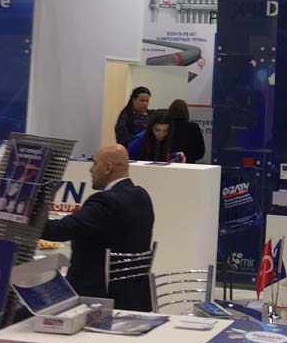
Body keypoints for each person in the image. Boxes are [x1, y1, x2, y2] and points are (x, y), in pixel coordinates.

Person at [41, 144, 154, 310]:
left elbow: (60, 230)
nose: (90, 169)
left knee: (21, 312)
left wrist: (24, 216)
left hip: (95, 298)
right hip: (134, 298)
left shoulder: (106, 202)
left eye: (94, 163)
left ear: (108, 168)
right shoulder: (142, 196)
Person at [164, 98, 205, 163]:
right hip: (189, 165)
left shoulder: (166, 127)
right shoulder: (194, 127)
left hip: (169, 164)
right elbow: (200, 153)